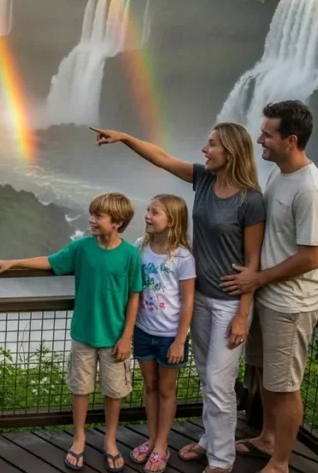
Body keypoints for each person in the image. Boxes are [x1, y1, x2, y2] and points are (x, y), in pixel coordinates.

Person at [90, 124, 265, 473]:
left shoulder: (251, 199)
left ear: (230, 151)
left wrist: (244, 312)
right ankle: (208, 441)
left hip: (229, 302)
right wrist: (125, 138)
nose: (204, 149)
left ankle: (221, 460)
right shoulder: (204, 180)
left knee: (219, 381)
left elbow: (253, 261)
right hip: (199, 297)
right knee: (206, 375)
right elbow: (163, 158)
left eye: (212, 144)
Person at [0, 192, 143, 472]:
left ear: (117, 223)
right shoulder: (82, 247)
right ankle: (79, 437)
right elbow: (50, 260)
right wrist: (14, 262)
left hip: (115, 337)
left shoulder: (130, 255)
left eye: (98, 216)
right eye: (91, 214)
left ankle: (110, 440)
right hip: (83, 333)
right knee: (80, 388)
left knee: (114, 391)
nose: (91, 220)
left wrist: (126, 337)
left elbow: (134, 296)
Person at [221, 100, 318, 473]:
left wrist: (257, 278)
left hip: (291, 304)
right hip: (269, 297)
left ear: (291, 140)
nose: (259, 140)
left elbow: (310, 257)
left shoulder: (311, 190)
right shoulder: (280, 174)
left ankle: (282, 461)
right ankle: (267, 438)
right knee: (267, 376)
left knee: (285, 385)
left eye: (268, 135)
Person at [129, 195, 196, 473]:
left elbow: (188, 301)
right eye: (148, 210)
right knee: (150, 387)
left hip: (170, 336)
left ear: (173, 221)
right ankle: (152, 438)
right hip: (143, 330)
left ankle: (162, 446)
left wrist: (181, 339)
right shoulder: (139, 247)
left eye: (154, 212)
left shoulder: (183, 257)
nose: (147, 215)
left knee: (167, 390)